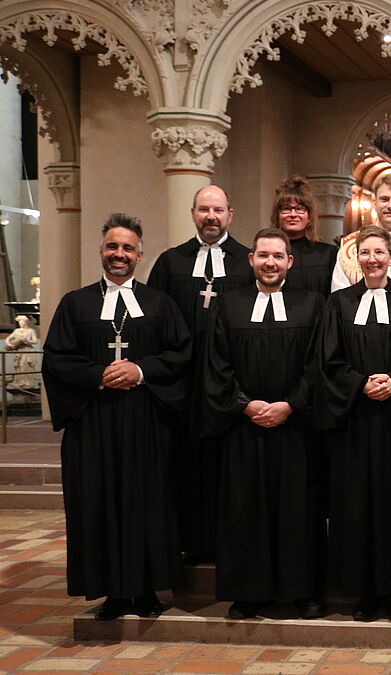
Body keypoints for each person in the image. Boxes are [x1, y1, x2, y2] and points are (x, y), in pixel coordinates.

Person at [44, 214, 191, 620]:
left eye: (127, 248)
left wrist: (140, 371)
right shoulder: (76, 303)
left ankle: (146, 590)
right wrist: (99, 375)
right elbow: (56, 359)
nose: (119, 254)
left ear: (140, 255)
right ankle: (112, 591)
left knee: (149, 502)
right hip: (94, 424)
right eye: (112, 246)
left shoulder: (160, 303)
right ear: (101, 251)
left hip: (147, 422)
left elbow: (181, 354)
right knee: (98, 501)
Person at [201, 229, 326, 621]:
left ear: (291, 262)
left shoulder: (313, 305)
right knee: (245, 509)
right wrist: (245, 404)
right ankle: (247, 592)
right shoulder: (228, 305)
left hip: (295, 429)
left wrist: (290, 405)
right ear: (250, 260)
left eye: (278, 256)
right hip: (245, 427)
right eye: (263, 255)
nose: (270, 262)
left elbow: (319, 365)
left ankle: (302, 591)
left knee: (298, 510)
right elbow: (215, 365)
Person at [311, 225, 391, 622]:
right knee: (357, 505)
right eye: (365, 253)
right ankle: (363, 592)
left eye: (380, 252)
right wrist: (361, 383)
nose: (373, 259)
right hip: (355, 422)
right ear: (355, 258)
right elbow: (327, 360)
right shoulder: (339, 304)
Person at [147, 184, 254, 565]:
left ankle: (233, 539)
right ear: (193, 213)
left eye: (218, 210)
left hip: (231, 385)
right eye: (204, 210)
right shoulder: (171, 262)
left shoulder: (247, 261)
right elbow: (153, 320)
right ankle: (191, 540)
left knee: (231, 465)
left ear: (230, 214)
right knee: (188, 465)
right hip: (185, 386)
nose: (211, 216)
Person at [270, 176, 337, 296]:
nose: (293, 214)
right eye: (286, 209)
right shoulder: (268, 255)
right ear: (277, 215)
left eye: (299, 209)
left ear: (309, 216)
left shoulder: (328, 255)